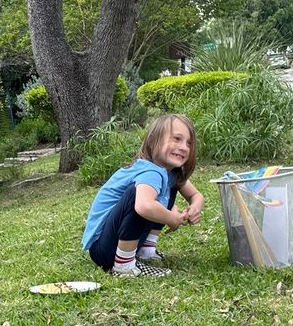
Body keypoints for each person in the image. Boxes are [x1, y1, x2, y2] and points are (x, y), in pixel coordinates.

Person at [82, 114, 204, 277]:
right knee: (138, 196)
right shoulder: (150, 172)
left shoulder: (170, 174)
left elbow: (196, 195)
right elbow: (144, 206)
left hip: (119, 243)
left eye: (188, 143)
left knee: (172, 185)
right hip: (104, 249)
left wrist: (195, 207)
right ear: (153, 140)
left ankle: (146, 251)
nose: (184, 147)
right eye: (176, 139)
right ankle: (124, 266)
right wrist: (172, 218)